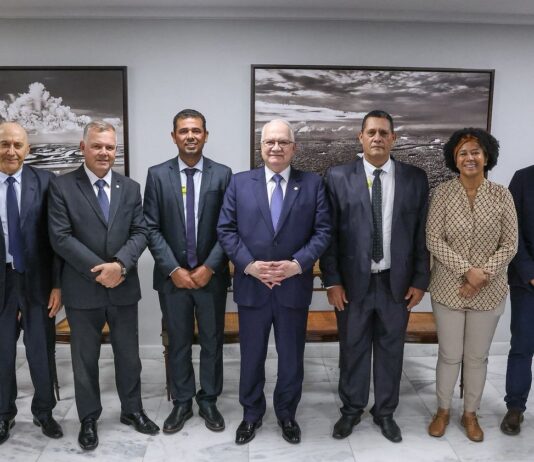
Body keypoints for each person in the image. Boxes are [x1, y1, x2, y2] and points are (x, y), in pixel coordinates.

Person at [217, 119, 330, 445]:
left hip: (293, 286)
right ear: (261, 147)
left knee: (291, 358)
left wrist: (297, 265)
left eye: (283, 142)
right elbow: (226, 229)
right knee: (251, 356)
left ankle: (286, 414)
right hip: (253, 286)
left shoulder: (312, 184)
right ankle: (251, 414)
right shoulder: (239, 183)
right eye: (270, 142)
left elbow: (323, 231)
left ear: (294, 148)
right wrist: (249, 266)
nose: (276, 147)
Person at [48, 121, 159, 450]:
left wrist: (120, 265)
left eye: (110, 147)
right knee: (84, 360)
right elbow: (60, 237)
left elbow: (141, 231)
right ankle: (88, 418)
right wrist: (100, 271)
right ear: (83, 147)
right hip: (83, 288)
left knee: (129, 356)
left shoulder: (130, 188)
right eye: (97, 146)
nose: (104, 152)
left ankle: (132, 410)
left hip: (123, 286)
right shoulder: (62, 186)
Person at [320, 110, 429, 443]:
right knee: (352, 349)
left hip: (396, 283)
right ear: (361, 137)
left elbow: (420, 233)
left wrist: (420, 280)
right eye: (371, 132)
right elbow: (328, 235)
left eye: (384, 133)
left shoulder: (415, 178)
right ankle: (351, 410)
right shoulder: (337, 177)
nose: (377, 138)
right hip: (353, 284)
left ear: (393, 138)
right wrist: (332, 281)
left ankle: (385, 413)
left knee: (390, 351)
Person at [144, 109, 232, 434]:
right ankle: (182, 402)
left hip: (211, 278)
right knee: (178, 342)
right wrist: (173, 269)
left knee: (212, 341)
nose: (190, 136)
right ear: (174, 136)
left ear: (206, 135)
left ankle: (208, 399)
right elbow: (150, 227)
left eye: (196, 130)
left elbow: (229, 227)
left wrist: (210, 267)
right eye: (184, 131)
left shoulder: (223, 174)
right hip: (173, 280)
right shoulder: (157, 175)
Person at [426, 128, 517, 442]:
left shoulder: (502, 195)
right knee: (450, 355)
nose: (469, 157)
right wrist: (467, 271)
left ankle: (470, 414)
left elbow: (510, 244)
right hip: (448, 288)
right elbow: (433, 239)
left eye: (475, 152)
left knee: (477, 357)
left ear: (486, 157)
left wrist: (481, 276)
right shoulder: (442, 194)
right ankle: (442, 411)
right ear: (454, 159)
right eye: (462, 153)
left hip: (489, 291)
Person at [0, 122, 63, 444]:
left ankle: (44, 412)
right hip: (3, 281)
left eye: (17, 145)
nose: (11, 151)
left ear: (28, 149)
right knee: (2, 353)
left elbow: (57, 239)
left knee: (41, 350)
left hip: (38, 282)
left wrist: (58, 285)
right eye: (4, 144)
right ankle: (3, 414)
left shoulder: (46, 182)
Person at [501, 164, 534, 435]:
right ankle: (515, 408)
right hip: (527, 283)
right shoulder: (523, 179)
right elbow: (512, 231)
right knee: (522, 346)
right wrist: (530, 273)